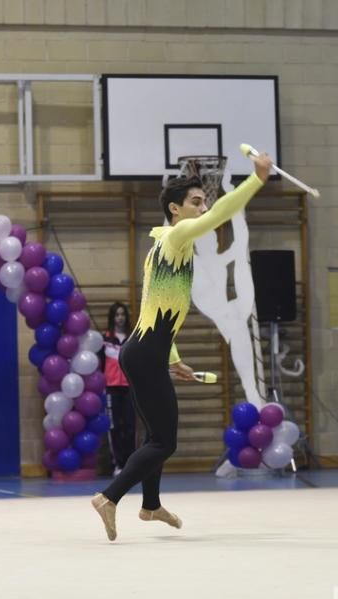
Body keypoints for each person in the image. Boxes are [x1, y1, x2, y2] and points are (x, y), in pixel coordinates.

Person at [91, 151, 273, 540]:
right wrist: (256, 180)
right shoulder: (175, 236)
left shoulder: (175, 251)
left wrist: (173, 359)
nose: (203, 207)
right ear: (175, 209)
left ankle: (151, 505)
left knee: (156, 435)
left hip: (146, 353)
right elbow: (219, 215)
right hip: (142, 354)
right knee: (164, 441)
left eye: (203, 200)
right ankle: (109, 497)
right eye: (195, 202)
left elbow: (155, 310)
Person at [101, 302, 137, 475]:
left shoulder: (133, 338)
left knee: (130, 426)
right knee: (115, 427)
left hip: (130, 388)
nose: (120, 318)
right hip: (112, 389)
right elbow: (99, 366)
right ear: (112, 318)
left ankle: (131, 464)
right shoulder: (105, 339)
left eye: (123, 314)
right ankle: (118, 464)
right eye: (117, 315)